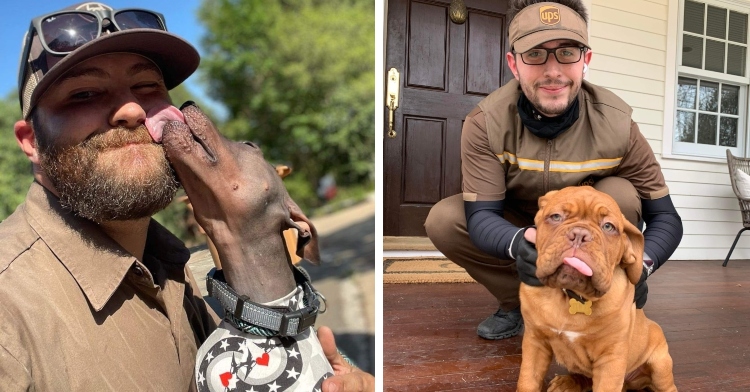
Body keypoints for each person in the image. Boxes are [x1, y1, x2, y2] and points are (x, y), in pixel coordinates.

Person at [0, 2, 373, 391]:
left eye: (147, 87)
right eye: (85, 93)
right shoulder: (9, 311)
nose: (131, 109)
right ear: (31, 143)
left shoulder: (175, 267)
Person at [425, 0, 683, 340]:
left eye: (567, 52)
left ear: (585, 60)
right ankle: (516, 303)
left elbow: (666, 217)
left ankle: (599, 299)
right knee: (444, 220)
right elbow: (481, 217)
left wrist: (641, 266)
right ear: (513, 64)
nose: (553, 71)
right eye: (535, 54)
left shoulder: (618, 124)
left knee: (621, 195)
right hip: (521, 220)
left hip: (589, 228)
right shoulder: (485, 122)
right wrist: (520, 242)